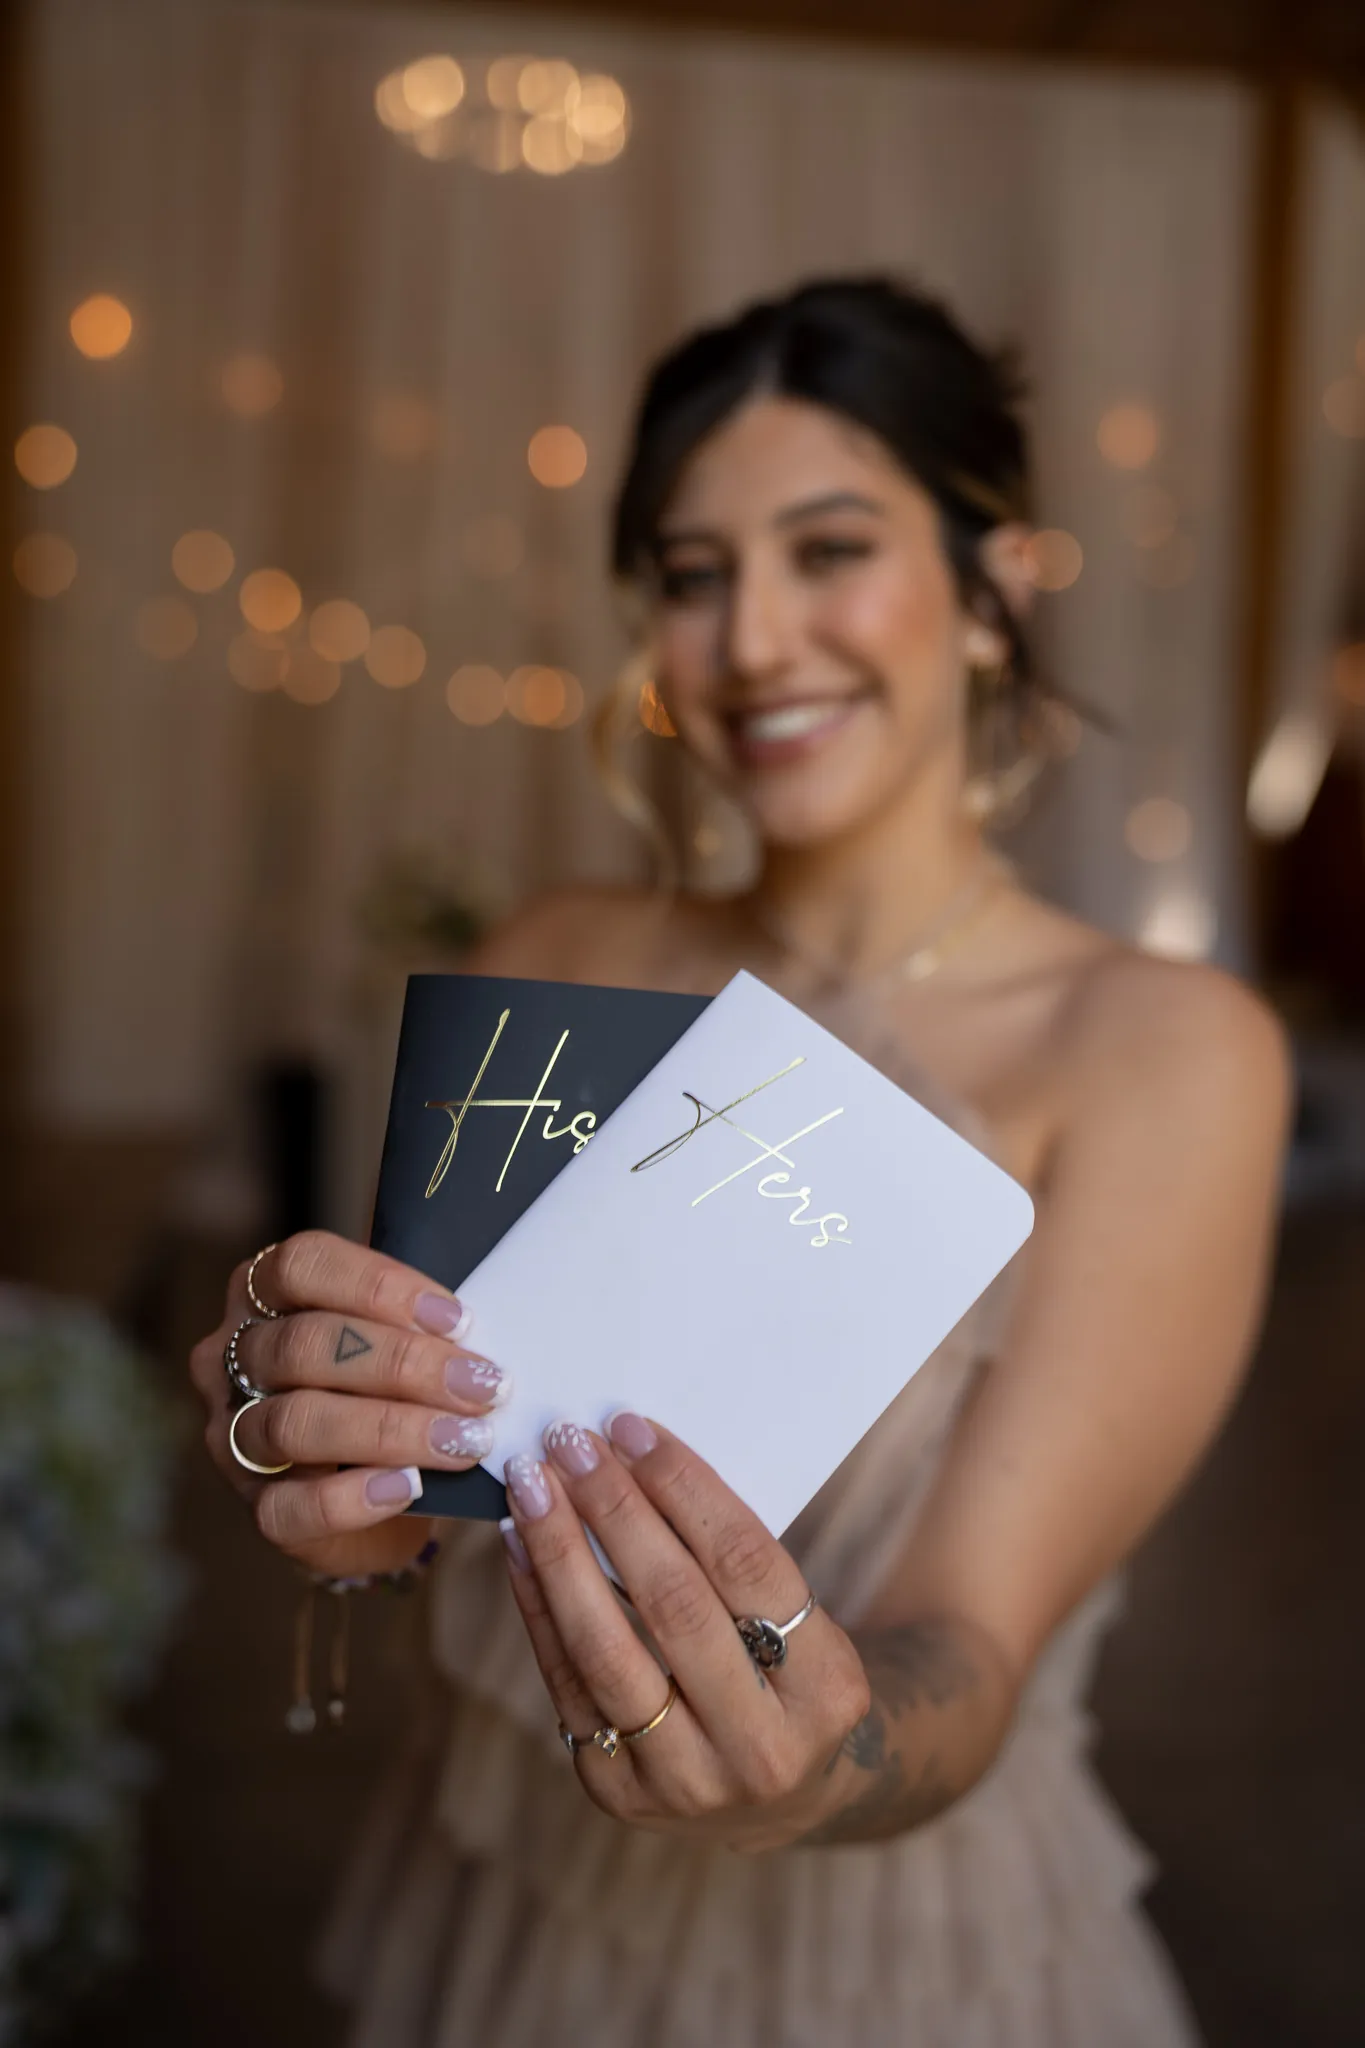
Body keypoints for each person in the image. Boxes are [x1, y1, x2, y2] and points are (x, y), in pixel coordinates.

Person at [190, 278, 1289, 2046]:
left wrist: (816, 1770)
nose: (755, 639)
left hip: (888, 1961)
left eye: (828, 548)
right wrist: (347, 1472)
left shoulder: (1162, 1055)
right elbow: (449, 1493)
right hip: (503, 1905)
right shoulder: (561, 949)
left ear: (995, 588)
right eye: (694, 576)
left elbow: (967, 1650)